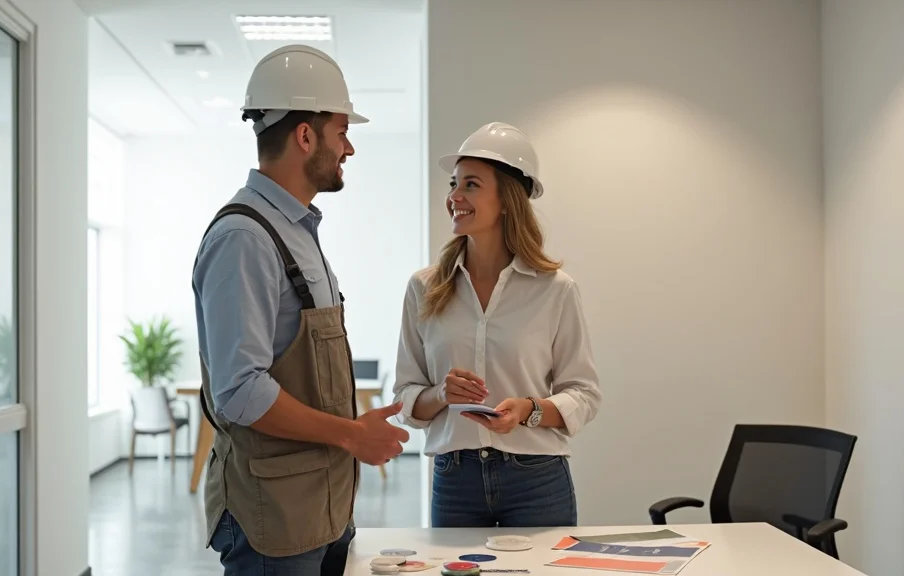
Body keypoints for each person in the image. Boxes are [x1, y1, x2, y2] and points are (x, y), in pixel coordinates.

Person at [192, 44, 409, 575]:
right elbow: (240, 391)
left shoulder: (296, 230)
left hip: (319, 507)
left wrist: (350, 428)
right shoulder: (244, 237)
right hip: (272, 520)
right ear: (305, 135)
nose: (349, 148)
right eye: (341, 131)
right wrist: (351, 433)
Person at [392, 122, 602, 528]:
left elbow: (585, 393)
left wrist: (530, 411)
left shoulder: (555, 290)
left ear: (507, 199)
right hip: (455, 479)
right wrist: (441, 394)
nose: (454, 197)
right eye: (454, 184)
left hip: (537, 479)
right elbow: (404, 395)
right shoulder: (424, 287)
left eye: (471, 185)